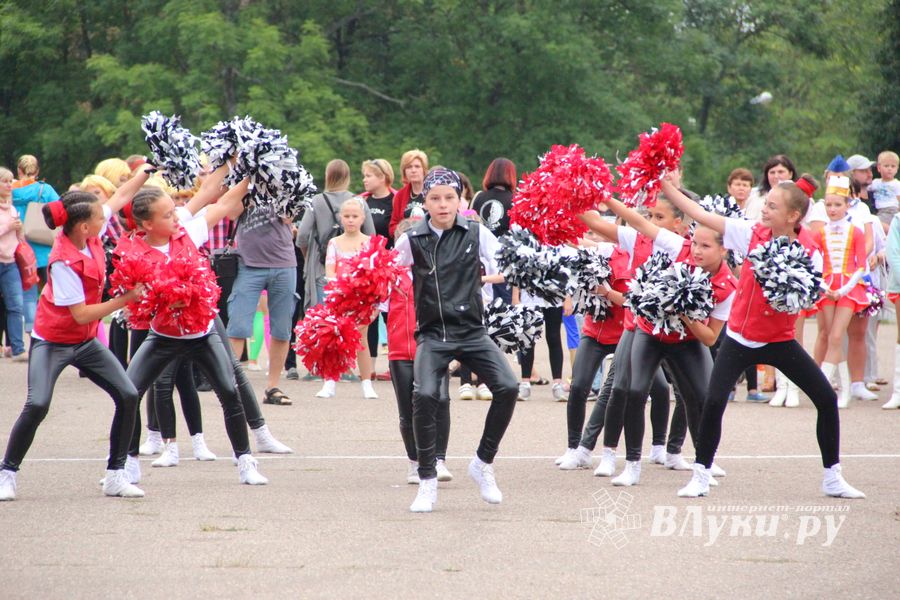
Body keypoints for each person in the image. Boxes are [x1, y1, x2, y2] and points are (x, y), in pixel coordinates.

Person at [658, 177, 865, 500]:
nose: (764, 210)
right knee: (713, 402)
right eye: (765, 204)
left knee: (825, 399)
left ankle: (832, 477)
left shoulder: (810, 249)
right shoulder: (751, 233)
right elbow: (700, 214)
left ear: (793, 215)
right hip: (740, 337)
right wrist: (667, 186)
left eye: (772, 206)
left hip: (780, 340)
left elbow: (808, 299)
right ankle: (701, 474)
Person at [0, 175, 147, 501]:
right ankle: (7, 472)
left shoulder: (88, 235)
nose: (104, 219)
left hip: (84, 341)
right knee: (37, 403)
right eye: (99, 218)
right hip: (52, 341)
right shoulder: (62, 261)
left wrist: (145, 172)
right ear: (83, 226)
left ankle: (115, 475)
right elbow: (80, 314)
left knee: (127, 394)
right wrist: (126, 299)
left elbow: (120, 195)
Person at [121, 180, 269, 486]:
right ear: (147, 224)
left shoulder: (187, 233)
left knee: (229, 392)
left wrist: (249, 172)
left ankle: (245, 462)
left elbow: (224, 203)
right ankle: (128, 463)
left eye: (174, 211)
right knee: (129, 394)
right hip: (163, 337)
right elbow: (137, 300)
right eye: (166, 215)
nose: (175, 217)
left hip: (202, 334)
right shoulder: (135, 255)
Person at [393, 168, 518, 513]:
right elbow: (386, 272)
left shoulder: (478, 233)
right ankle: (427, 479)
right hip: (433, 334)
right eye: (435, 198)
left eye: (450, 197)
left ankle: (483, 463)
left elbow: (511, 266)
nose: (443, 204)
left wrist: (482, 280)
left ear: (461, 200)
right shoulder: (412, 239)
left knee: (508, 386)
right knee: (425, 394)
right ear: (425, 202)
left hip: (472, 332)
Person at [578, 196, 692, 479]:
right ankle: (611, 456)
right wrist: (574, 193)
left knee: (692, 392)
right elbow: (592, 222)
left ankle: (680, 453)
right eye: (651, 216)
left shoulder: (686, 246)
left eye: (659, 217)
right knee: (622, 389)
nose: (651, 223)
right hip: (638, 327)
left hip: (676, 329)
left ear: (678, 224)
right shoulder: (635, 238)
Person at [225, 169, 303, 406]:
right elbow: (231, 213)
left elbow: (290, 216)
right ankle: (230, 386)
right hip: (249, 265)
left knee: (281, 329)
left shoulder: (284, 187)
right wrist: (249, 184)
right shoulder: (242, 187)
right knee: (237, 326)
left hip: (284, 263)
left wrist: (278, 185)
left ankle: (273, 386)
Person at [386, 218, 453, 484]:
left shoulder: (438, 273)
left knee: (442, 401)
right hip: (400, 349)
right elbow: (369, 305)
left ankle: (439, 459)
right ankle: (416, 462)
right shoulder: (389, 275)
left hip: (436, 346)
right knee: (408, 408)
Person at [809, 176, 874, 408]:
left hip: (849, 288)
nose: (833, 209)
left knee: (837, 336)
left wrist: (844, 288)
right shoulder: (819, 233)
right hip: (826, 288)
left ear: (848, 205)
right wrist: (825, 288)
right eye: (828, 205)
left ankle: (823, 388)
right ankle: (844, 390)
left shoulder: (855, 232)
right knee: (827, 335)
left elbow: (861, 266)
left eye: (838, 204)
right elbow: (814, 264)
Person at [315, 197, 379, 399]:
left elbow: (374, 273)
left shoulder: (369, 243)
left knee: (362, 340)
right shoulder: (334, 242)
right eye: (347, 216)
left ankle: (367, 382)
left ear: (362, 218)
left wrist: (373, 301)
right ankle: (330, 381)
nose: (350, 220)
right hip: (339, 299)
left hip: (361, 300)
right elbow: (330, 268)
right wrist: (338, 289)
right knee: (333, 340)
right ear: (340, 218)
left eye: (355, 216)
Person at [297, 159, 375, 312]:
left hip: (321, 268)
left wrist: (308, 257)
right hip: (355, 272)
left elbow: (302, 236)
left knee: (324, 318)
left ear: (327, 176)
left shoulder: (316, 201)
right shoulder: (358, 202)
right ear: (348, 177)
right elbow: (372, 237)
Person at [11, 155, 60, 337]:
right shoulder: (44, 189)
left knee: (28, 289)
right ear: (37, 170)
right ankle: (53, 322)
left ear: (19, 170)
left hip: (21, 246)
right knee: (51, 287)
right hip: (45, 245)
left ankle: (31, 326)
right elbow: (59, 207)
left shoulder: (11, 192)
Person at [361, 159, 395, 380]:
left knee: (391, 316)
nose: (364, 180)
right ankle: (369, 366)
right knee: (368, 316)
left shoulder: (396, 199)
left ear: (382, 177)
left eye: (368, 176)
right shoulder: (361, 201)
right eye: (364, 175)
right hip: (368, 267)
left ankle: (395, 364)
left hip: (390, 266)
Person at [0, 167, 27, 362]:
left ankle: (17, 348)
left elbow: (19, 238)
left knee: (16, 306)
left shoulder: (12, 208)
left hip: (10, 262)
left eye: (11, 181)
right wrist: (8, 227)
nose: (10, 185)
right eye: (5, 181)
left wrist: (19, 230)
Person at [742, 154, 797, 222]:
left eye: (781, 172)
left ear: (790, 174)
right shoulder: (754, 195)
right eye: (772, 172)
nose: (776, 176)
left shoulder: (799, 198)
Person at [388, 149, 428, 238]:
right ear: (404, 171)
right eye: (409, 167)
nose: (413, 170)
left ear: (424, 170)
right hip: (407, 241)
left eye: (417, 166)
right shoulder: (400, 195)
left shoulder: (433, 192)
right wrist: (402, 230)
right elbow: (392, 227)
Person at [870, 151, 900, 234]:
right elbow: (866, 189)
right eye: (886, 166)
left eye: (893, 166)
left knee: (874, 224)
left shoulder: (896, 184)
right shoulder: (875, 182)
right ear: (879, 168)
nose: (889, 169)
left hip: (891, 210)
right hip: (880, 211)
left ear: (897, 169)